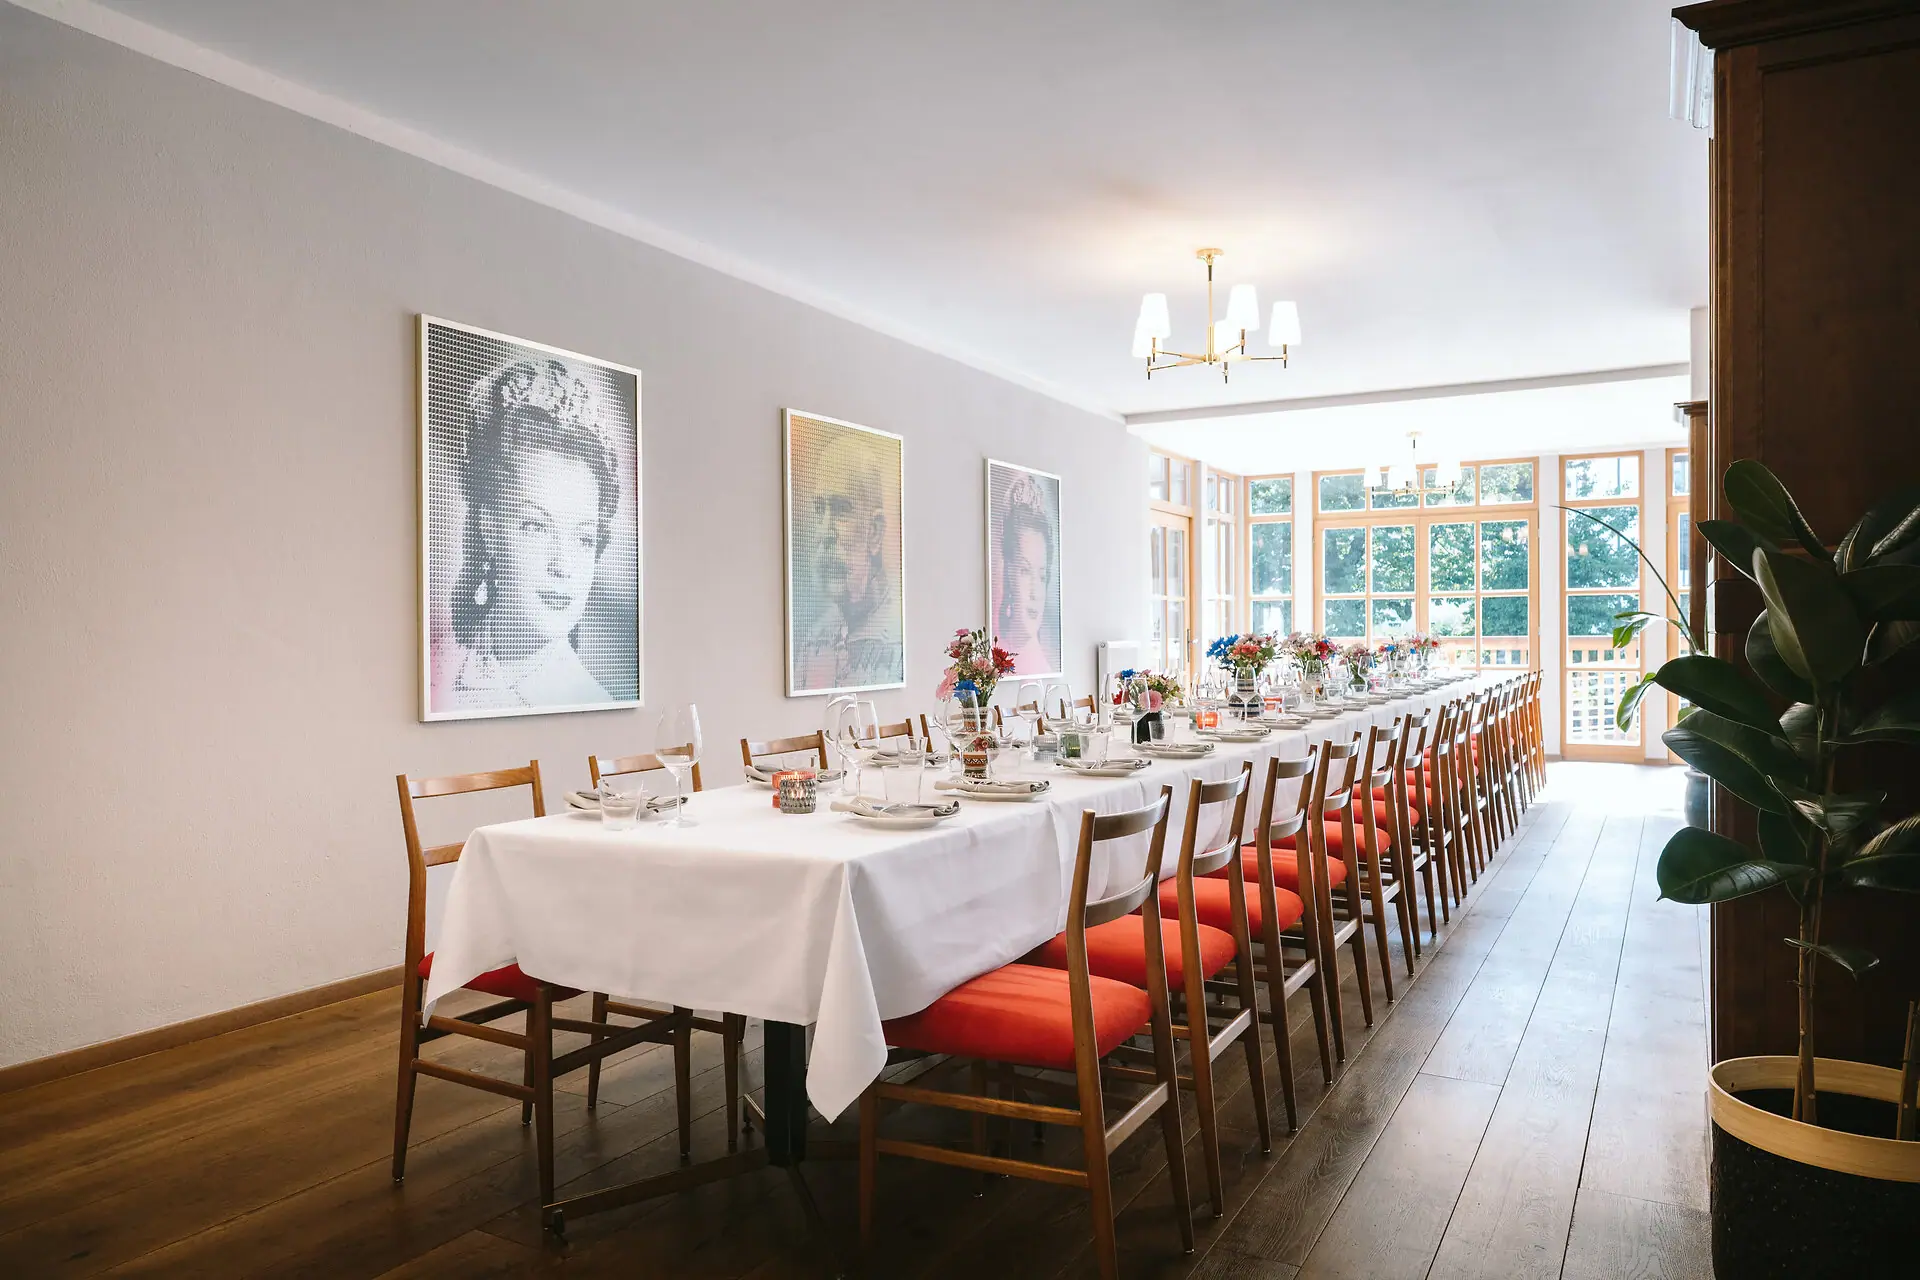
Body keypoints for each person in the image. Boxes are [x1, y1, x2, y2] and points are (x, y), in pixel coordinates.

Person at [435, 357, 622, 711]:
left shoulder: (589, 700)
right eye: (536, 527)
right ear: (490, 528)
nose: (562, 566)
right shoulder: (437, 667)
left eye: (584, 539)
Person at [792, 431, 903, 691]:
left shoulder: (897, 639)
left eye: (842, 509)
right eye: (820, 509)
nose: (825, 532)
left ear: (874, 532)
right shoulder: (816, 639)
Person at [994, 471, 1060, 674]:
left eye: (1041, 576)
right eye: (1024, 571)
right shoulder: (995, 656)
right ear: (1008, 571)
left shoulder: (1043, 667)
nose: (1035, 593)